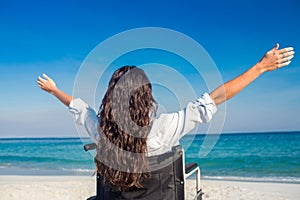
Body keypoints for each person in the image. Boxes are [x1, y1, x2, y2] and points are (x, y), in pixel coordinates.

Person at [38, 44, 294, 191]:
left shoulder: (102, 132)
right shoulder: (166, 127)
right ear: (146, 97)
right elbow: (215, 99)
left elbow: (78, 107)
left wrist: (53, 91)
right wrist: (260, 67)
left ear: (111, 97)